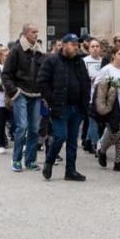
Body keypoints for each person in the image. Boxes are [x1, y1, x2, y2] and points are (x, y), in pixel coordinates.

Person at [38, 34, 90, 182]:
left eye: (77, 45)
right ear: (64, 45)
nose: (76, 48)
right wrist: (51, 99)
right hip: (60, 107)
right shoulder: (52, 60)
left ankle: (70, 170)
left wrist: (85, 103)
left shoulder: (79, 62)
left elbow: (85, 82)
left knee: (73, 140)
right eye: (73, 45)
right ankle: (49, 162)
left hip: (77, 107)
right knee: (60, 136)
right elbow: (42, 81)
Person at [2, 24, 45, 172]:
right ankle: (16, 160)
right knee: (22, 127)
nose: (36, 34)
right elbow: (6, 74)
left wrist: (43, 90)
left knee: (34, 128)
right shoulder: (16, 50)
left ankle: (31, 160)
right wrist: (14, 92)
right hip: (21, 93)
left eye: (37, 32)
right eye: (34, 32)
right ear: (26, 33)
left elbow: (43, 74)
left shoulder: (39, 51)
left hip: (36, 94)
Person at [94, 44, 120, 172]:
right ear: (113, 55)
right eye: (119, 54)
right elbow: (98, 83)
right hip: (113, 104)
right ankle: (102, 149)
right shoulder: (107, 69)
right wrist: (111, 85)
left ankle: (118, 161)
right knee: (114, 133)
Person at [82, 39, 103, 152]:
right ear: (89, 49)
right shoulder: (84, 61)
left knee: (96, 121)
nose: (95, 48)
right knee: (93, 119)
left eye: (97, 46)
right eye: (93, 46)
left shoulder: (103, 61)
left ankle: (89, 140)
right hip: (90, 95)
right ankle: (96, 143)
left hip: (101, 95)